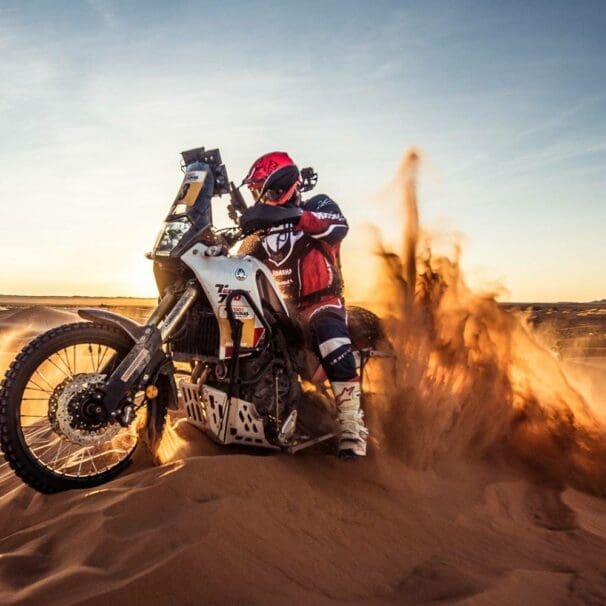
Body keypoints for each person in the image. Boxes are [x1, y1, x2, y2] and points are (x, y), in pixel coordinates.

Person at [239, 151, 368, 458]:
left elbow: (337, 228)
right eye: (254, 190)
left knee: (328, 331)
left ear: (280, 185)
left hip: (321, 303)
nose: (257, 196)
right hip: (281, 310)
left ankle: (352, 426)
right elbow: (242, 259)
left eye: (260, 188)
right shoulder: (262, 227)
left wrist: (290, 216)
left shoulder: (318, 205)